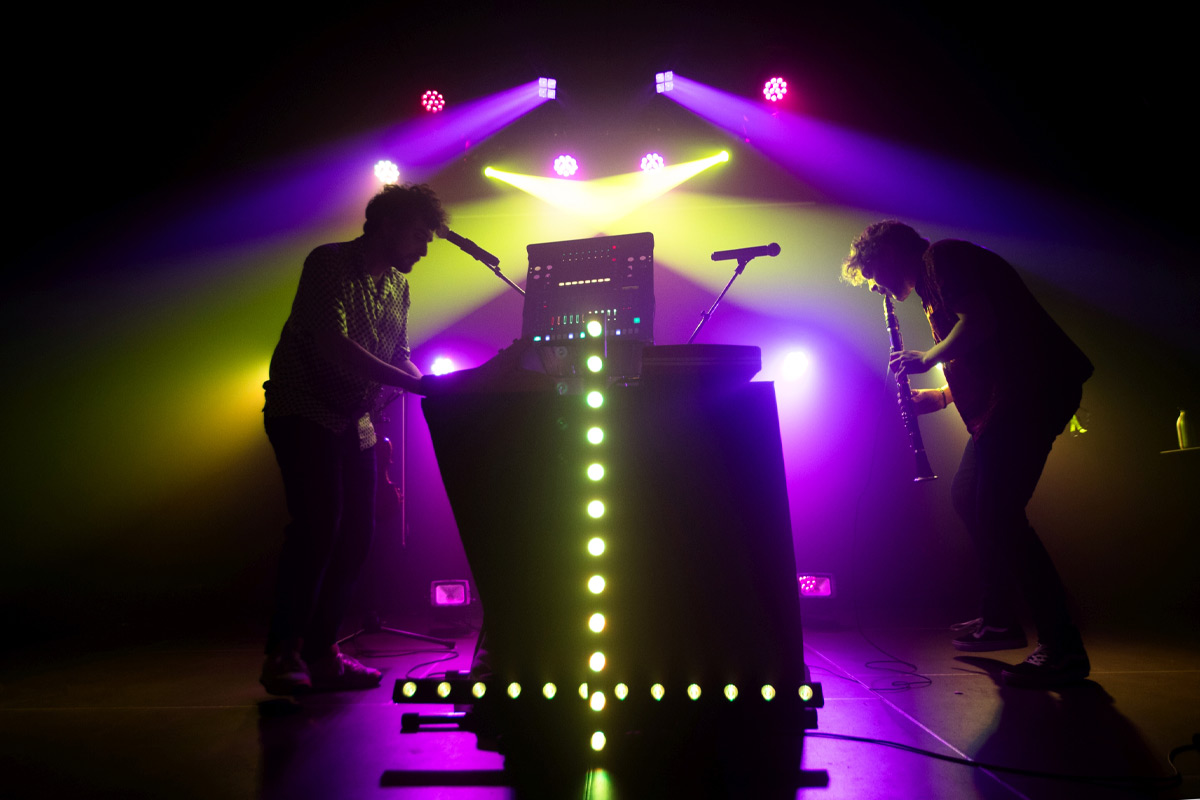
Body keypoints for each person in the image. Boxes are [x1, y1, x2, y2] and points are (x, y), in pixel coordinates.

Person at [842, 220, 1094, 689]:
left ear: (888, 256)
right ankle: (999, 619)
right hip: (1010, 397)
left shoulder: (943, 258)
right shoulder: (933, 281)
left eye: (873, 275)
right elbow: (985, 350)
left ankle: (1062, 647)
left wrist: (927, 357)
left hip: (1032, 392)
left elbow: (979, 323)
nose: (875, 287)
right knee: (968, 496)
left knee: (1000, 513)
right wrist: (940, 396)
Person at [259, 183, 446, 695]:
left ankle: (321, 653)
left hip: (353, 421)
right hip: (304, 411)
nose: (424, 249)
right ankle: (283, 653)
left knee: (358, 534)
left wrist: (437, 385)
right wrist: (419, 385)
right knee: (317, 528)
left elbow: (399, 354)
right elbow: (334, 344)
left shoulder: (398, 287)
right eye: (418, 235)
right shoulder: (329, 263)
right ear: (385, 226)